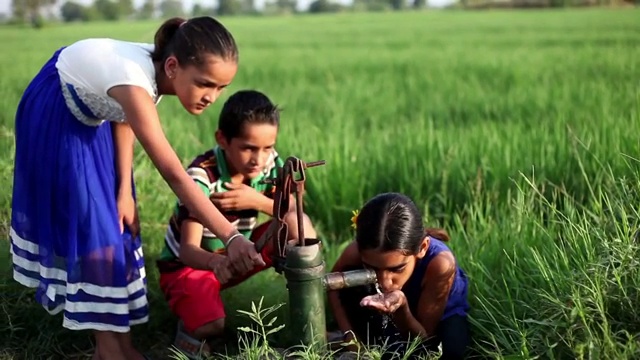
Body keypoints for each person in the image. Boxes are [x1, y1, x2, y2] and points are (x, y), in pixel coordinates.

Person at [9, 16, 265, 360]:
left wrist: (124, 191)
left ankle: (121, 343)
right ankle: (108, 348)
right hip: (59, 111)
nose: (212, 98)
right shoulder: (135, 81)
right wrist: (231, 236)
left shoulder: (157, 74)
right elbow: (175, 174)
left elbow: (122, 115)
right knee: (97, 235)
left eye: (220, 88)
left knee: (120, 227)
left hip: (95, 112)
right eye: (205, 84)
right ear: (173, 66)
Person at [156, 89, 317, 358]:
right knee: (211, 324)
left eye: (267, 148)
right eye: (248, 148)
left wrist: (257, 200)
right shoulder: (202, 175)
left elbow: (293, 209)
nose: (259, 158)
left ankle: (309, 314)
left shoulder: (269, 164)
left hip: (236, 255)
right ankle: (189, 328)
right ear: (223, 139)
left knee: (299, 224)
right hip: (191, 266)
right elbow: (187, 250)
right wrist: (216, 263)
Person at [327, 193, 471, 360]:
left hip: (438, 316)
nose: (384, 282)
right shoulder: (356, 253)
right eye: (372, 269)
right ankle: (340, 337)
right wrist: (350, 338)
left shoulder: (440, 264)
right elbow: (333, 286)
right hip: (386, 306)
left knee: (452, 352)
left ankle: (334, 338)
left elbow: (423, 340)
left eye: (397, 269)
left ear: (422, 248)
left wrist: (402, 310)